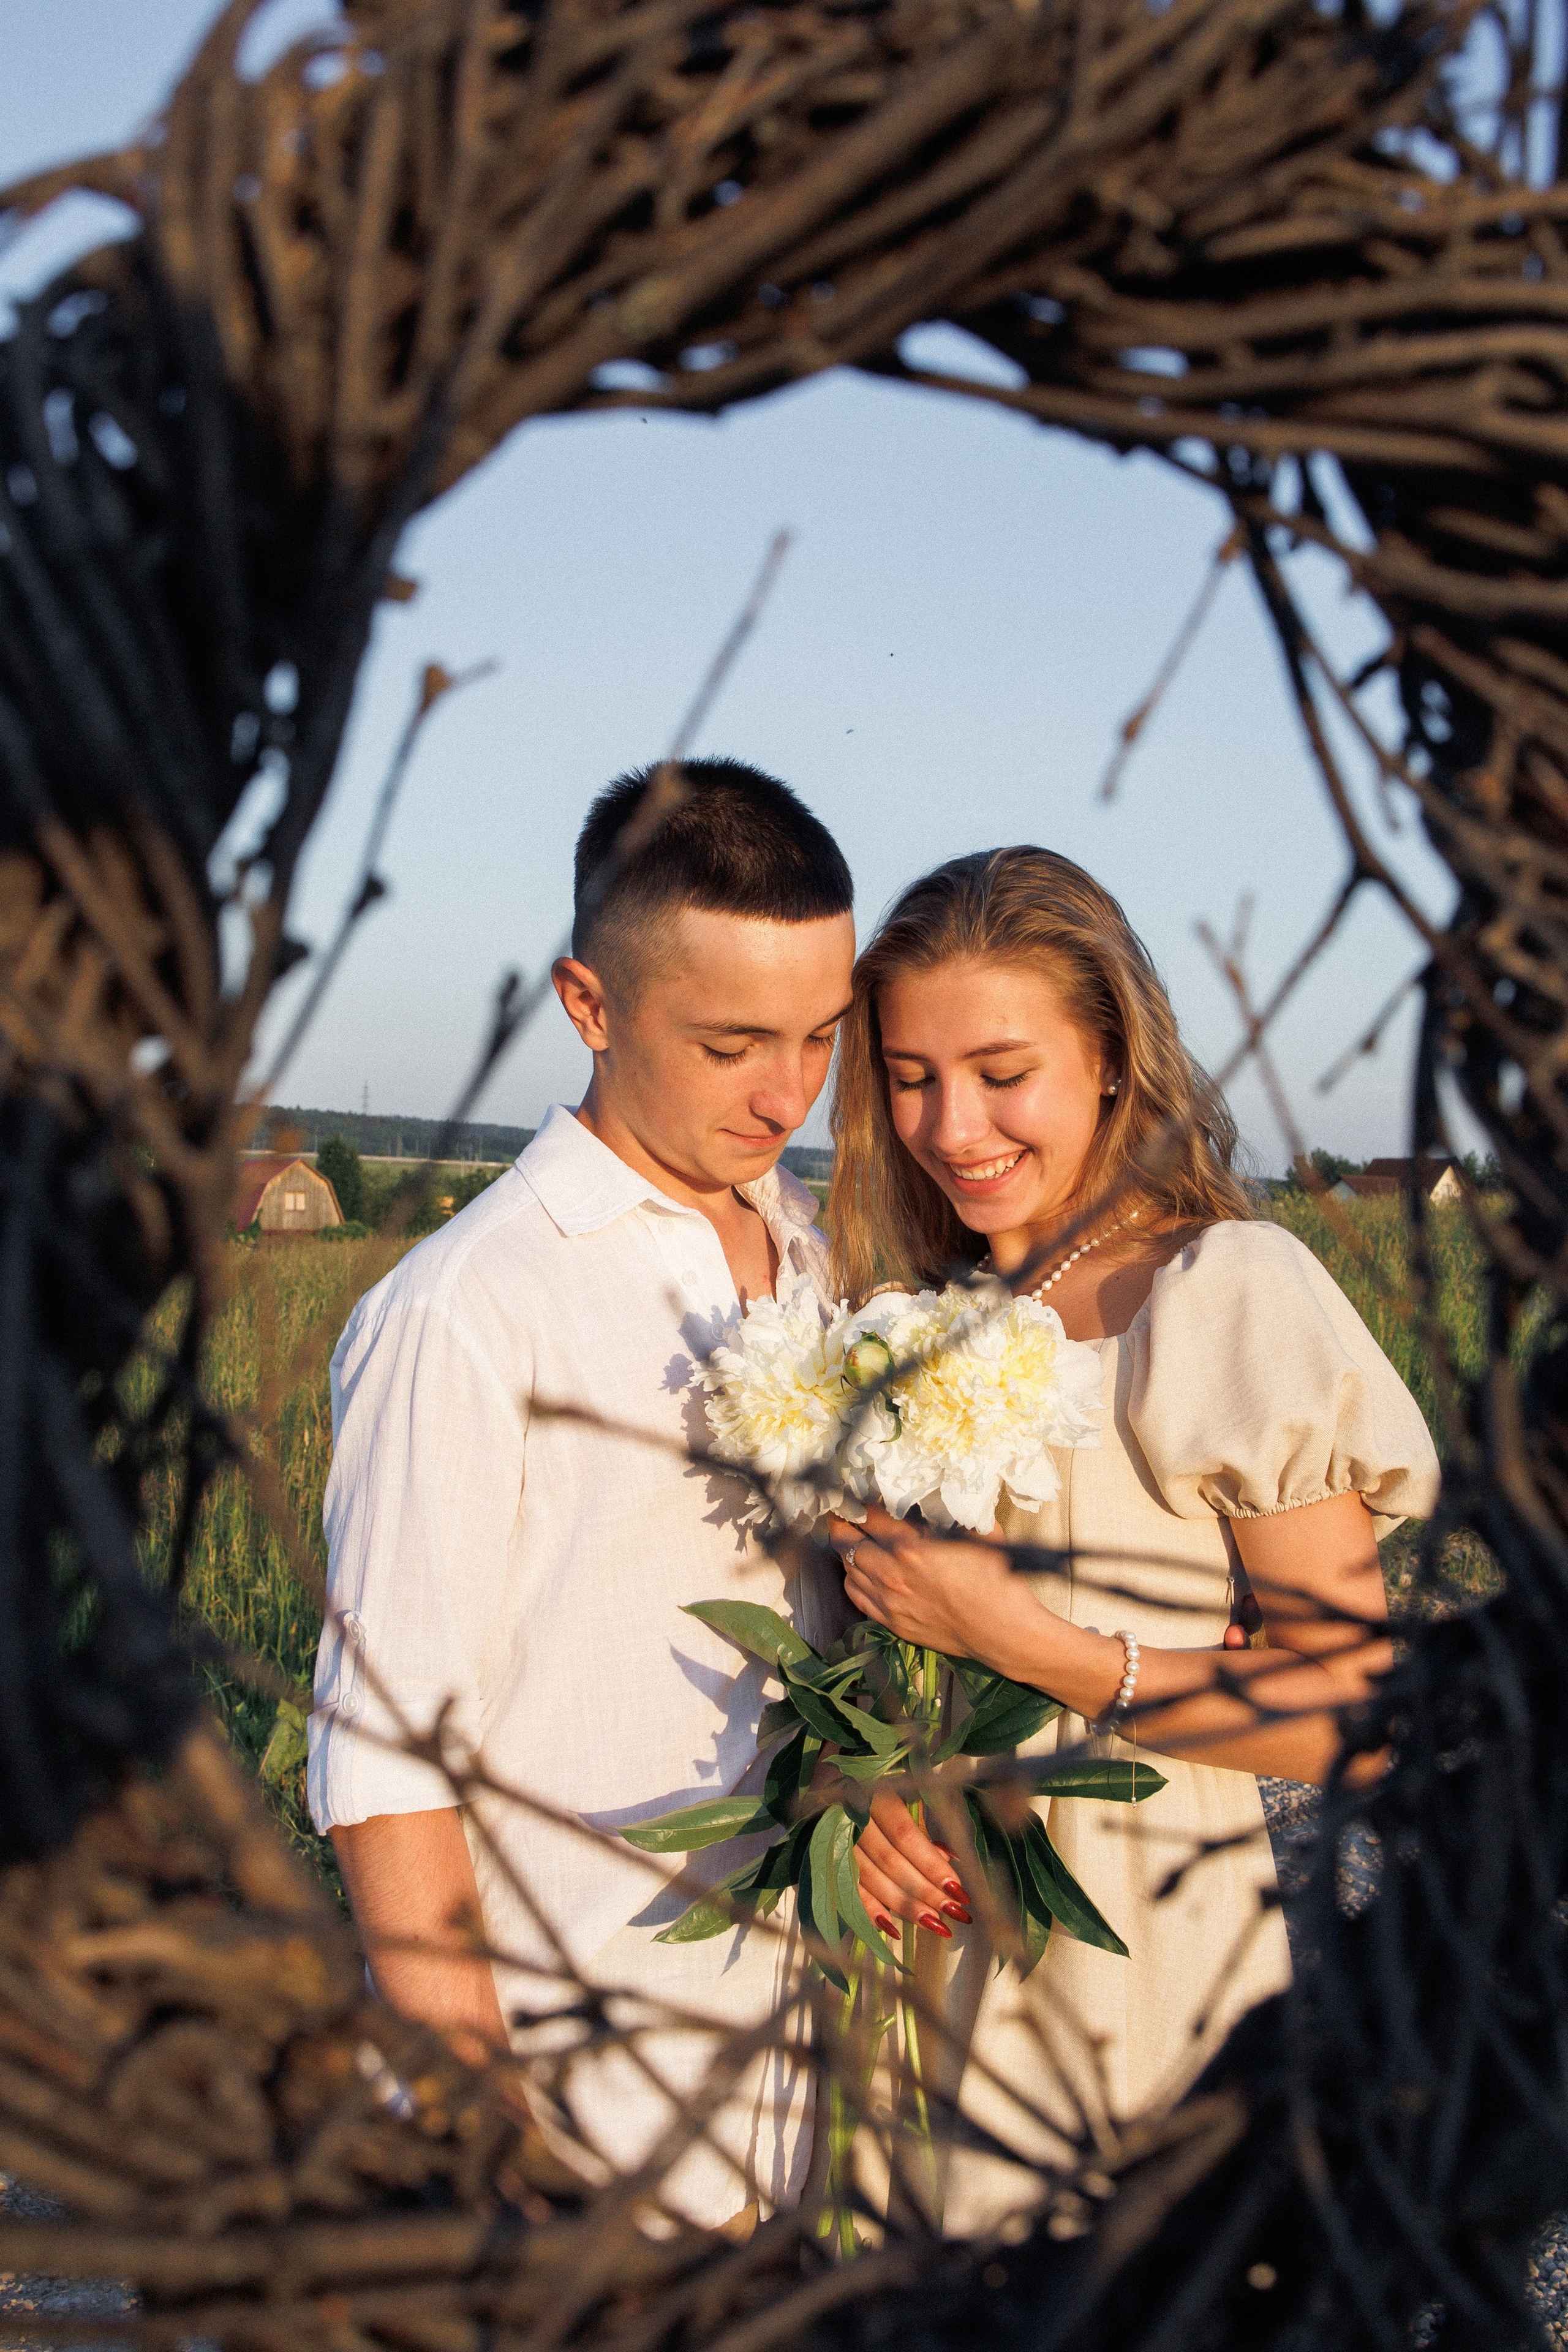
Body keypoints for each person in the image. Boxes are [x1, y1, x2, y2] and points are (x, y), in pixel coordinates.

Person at [308, 757, 911, 2227]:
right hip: (585, 2107)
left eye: (821, 1038)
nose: (788, 1093)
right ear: (589, 1006)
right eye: (733, 1045)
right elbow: (384, 1759)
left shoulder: (820, 1265)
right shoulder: (468, 1310)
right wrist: (484, 2138)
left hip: (814, 2078)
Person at [822, 845, 1441, 2230]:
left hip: (1128, 1942)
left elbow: (1354, 1709)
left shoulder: (1222, 1290)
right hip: (923, 1951)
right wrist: (854, 1795)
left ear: (1108, 1055)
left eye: (1000, 1071)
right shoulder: (915, 1306)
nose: (949, 1123)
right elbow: (872, 1639)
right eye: (909, 1075)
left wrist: (1036, 1646)